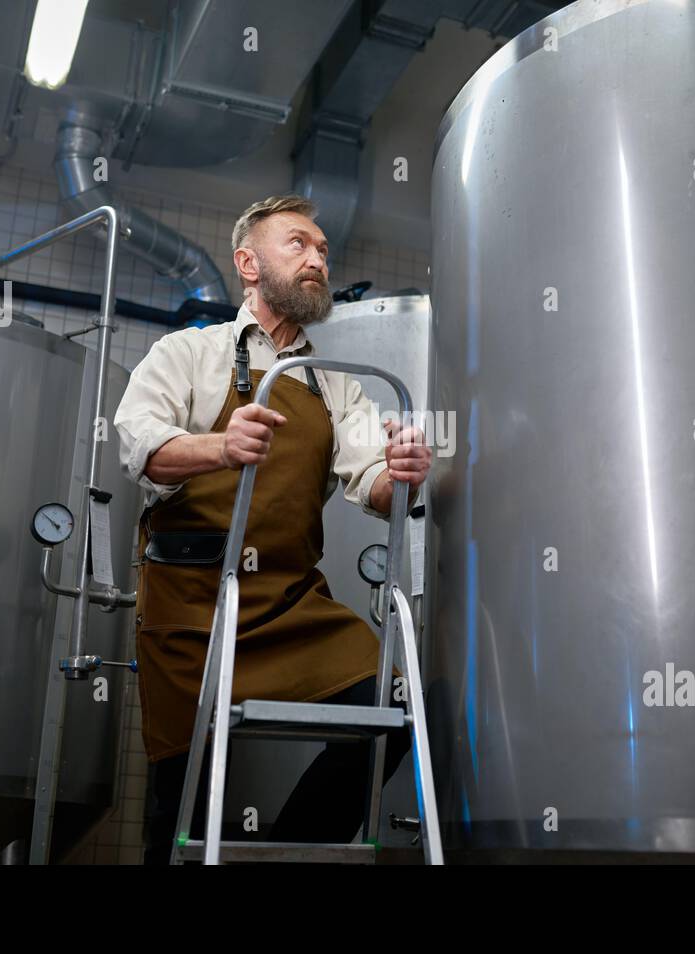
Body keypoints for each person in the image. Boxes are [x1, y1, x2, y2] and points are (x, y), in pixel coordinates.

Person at [113, 194, 432, 862]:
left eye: (323, 249)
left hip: (291, 603)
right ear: (248, 264)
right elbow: (139, 445)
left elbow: (370, 480)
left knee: (395, 705)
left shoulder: (331, 383)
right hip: (193, 607)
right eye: (299, 244)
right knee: (181, 799)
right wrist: (219, 447)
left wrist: (400, 472)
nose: (317, 257)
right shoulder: (187, 352)